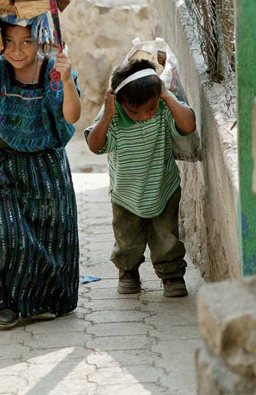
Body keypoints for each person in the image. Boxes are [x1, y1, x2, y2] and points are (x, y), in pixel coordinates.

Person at [0, 12, 81, 328]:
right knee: (10, 233)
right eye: (10, 41)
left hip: (47, 168)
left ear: (39, 40)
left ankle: (43, 301)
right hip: (2, 164)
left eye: (26, 41)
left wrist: (68, 80)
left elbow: (71, 116)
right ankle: (9, 302)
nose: (17, 51)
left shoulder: (54, 71)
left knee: (49, 238)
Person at [84, 59, 196, 298]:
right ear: (119, 102)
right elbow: (94, 146)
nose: (144, 116)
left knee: (167, 237)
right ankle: (128, 272)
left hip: (163, 187)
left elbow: (188, 124)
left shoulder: (163, 108)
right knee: (128, 241)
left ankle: (172, 275)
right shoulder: (113, 116)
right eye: (134, 111)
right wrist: (107, 114)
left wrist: (166, 96)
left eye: (150, 108)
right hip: (126, 193)